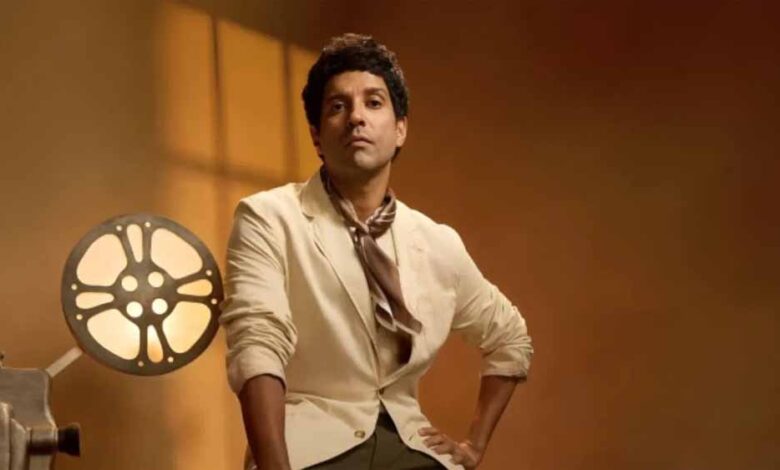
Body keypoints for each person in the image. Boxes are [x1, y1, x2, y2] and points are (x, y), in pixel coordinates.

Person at [220, 33, 533, 470]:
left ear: (400, 129)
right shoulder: (269, 217)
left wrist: (473, 446)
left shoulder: (436, 242)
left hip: (410, 444)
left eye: (373, 102)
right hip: (308, 447)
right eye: (337, 106)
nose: (356, 118)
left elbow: (510, 339)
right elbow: (257, 345)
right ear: (316, 136)